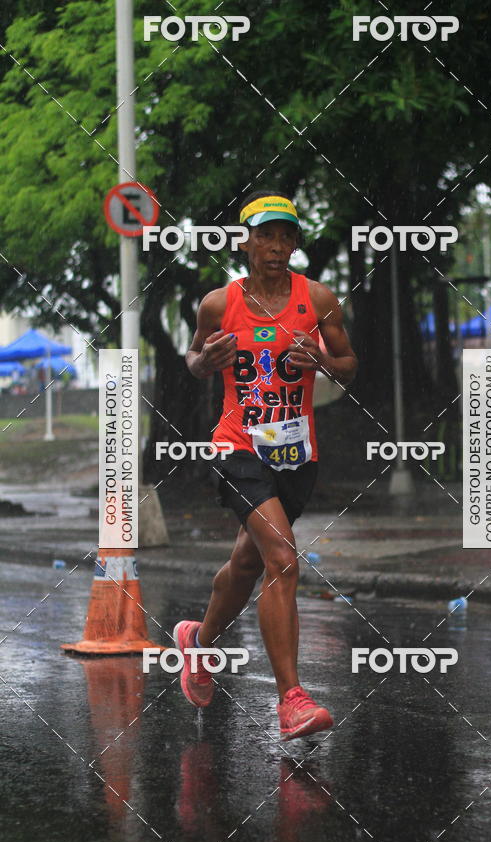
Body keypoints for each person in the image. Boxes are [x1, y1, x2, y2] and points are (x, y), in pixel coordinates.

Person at [174, 191, 357, 741]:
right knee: (283, 558)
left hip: (296, 456)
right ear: (245, 242)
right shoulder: (217, 303)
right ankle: (292, 700)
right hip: (238, 447)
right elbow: (194, 358)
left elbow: (349, 364)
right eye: (265, 236)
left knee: (249, 565)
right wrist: (206, 360)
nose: (276, 247)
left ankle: (198, 642)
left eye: (286, 236)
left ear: (295, 243)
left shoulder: (318, 299)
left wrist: (322, 361)